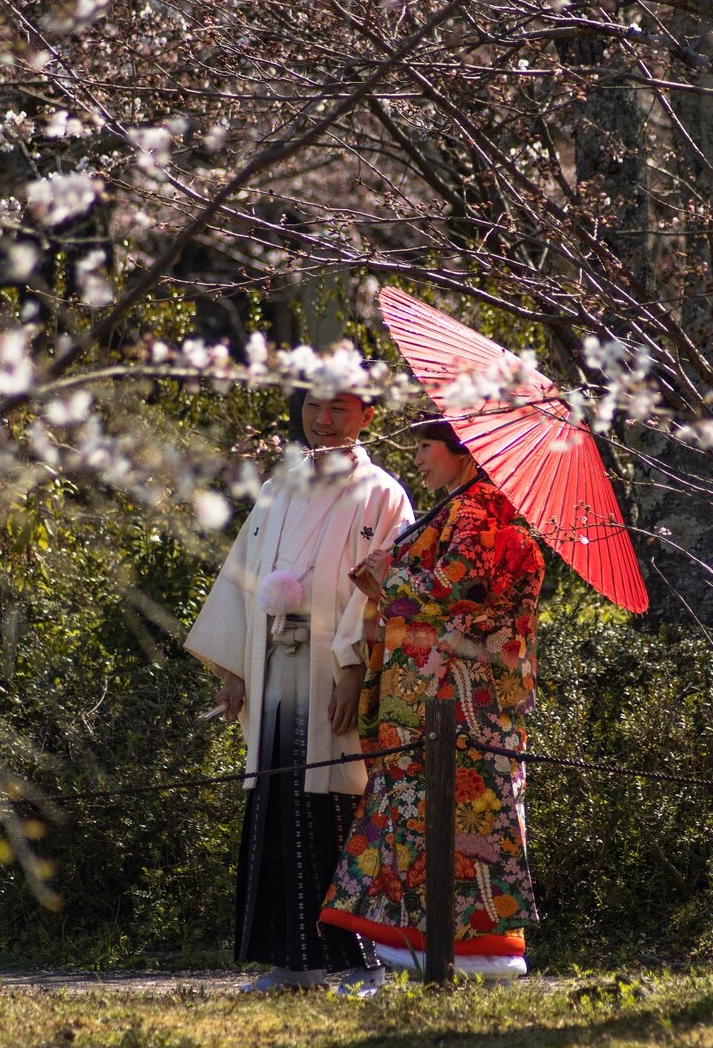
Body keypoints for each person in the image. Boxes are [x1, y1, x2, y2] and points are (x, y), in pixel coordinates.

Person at [184, 389, 413, 993]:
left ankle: (364, 962)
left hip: (334, 670)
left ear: (368, 414)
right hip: (272, 664)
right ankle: (296, 960)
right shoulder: (279, 488)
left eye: (339, 408)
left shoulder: (383, 495)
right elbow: (243, 577)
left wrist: (355, 670)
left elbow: (382, 591)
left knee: (339, 807)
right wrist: (234, 665)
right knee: (277, 808)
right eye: (314, 406)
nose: (324, 419)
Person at [319, 417, 545, 982]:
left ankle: (465, 954)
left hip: (458, 696)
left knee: (459, 817)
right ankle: (441, 951)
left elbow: (452, 587)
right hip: (442, 695)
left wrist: (385, 583)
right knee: (446, 819)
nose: (416, 458)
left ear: (462, 453)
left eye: (425, 448)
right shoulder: (460, 506)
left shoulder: (478, 510)